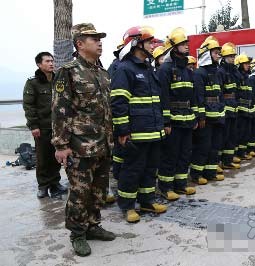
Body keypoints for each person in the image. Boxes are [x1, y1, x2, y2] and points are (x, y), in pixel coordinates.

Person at [52, 23, 115, 257]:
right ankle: (77, 234)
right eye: (94, 38)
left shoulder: (101, 72)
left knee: (99, 190)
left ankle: (93, 225)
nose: (100, 42)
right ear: (80, 43)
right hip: (80, 146)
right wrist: (61, 145)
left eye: (100, 38)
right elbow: (60, 110)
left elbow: (106, 110)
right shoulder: (68, 71)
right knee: (80, 193)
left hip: (103, 143)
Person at [110, 26, 168, 223]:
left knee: (150, 169)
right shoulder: (124, 69)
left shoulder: (149, 69)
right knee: (132, 170)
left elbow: (156, 102)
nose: (153, 46)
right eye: (150, 42)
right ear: (136, 43)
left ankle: (147, 201)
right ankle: (127, 206)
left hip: (153, 132)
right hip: (136, 133)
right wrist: (122, 130)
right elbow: (119, 102)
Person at [156, 27, 197, 201]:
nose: (186, 46)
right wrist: (166, 122)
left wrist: (194, 115)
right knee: (170, 154)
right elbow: (163, 97)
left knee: (185, 153)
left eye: (186, 43)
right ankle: (166, 187)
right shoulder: (166, 69)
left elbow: (193, 95)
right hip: (173, 120)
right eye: (182, 43)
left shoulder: (187, 70)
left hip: (187, 119)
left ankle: (180, 184)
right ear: (173, 47)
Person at [23, 52, 65, 198]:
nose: (51, 63)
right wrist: (33, 125)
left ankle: (55, 183)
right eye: (47, 61)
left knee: (56, 156)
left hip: (58, 127)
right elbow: (29, 105)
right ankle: (43, 185)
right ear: (39, 64)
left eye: (52, 60)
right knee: (42, 157)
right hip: (42, 127)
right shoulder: (33, 82)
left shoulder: (58, 80)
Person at [190, 36, 225, 184]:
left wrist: (222, 111)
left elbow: (220, 94)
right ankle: (197, 174)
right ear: (207, 54)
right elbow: (198, 97)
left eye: (218, 52)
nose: (218, 54)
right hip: (206, 119)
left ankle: (210, 172)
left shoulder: (216, 72)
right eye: (215, 52)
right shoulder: (200, 73)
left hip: (217, 116)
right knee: (203, 146)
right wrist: (201, 117)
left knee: (214, 146)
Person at [217, 42, 241, 169]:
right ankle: (220, 161)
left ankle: (228, 160)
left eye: (233, 56)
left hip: (234, 107)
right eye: (230, 56)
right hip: (226, 108)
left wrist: (235, 69)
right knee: (223, 136)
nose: (233, 58)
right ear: (225, 57)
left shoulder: (233, 71)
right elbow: (220, 92)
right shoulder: (221, 72)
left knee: (232, 135)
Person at [235, 53, 255, 160]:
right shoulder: (238, 77)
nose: (248, 65)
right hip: (240, 110)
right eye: (246, 63)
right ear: (240, 64)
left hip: (247, 109)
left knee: (246, 132)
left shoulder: (247, 77)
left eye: (248, 63)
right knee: (240, 133)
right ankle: (238, 153)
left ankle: (243, 152)